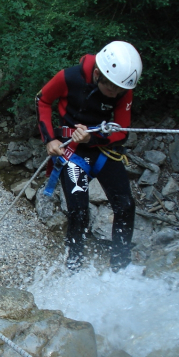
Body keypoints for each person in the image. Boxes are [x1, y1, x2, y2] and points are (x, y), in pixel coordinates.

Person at [37, 41, 143, 272]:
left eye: (120, 91)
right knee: (79, 212)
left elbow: (122, 131)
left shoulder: (123, 87)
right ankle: (73, 269)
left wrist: (92, 139)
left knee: (125, 206)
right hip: (72, 152)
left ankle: (121, 267)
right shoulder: (69, 78)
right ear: (97, 74)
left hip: (102, 150)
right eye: (111, 89)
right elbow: (43, 100)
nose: (116, 94)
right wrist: (50, 140)